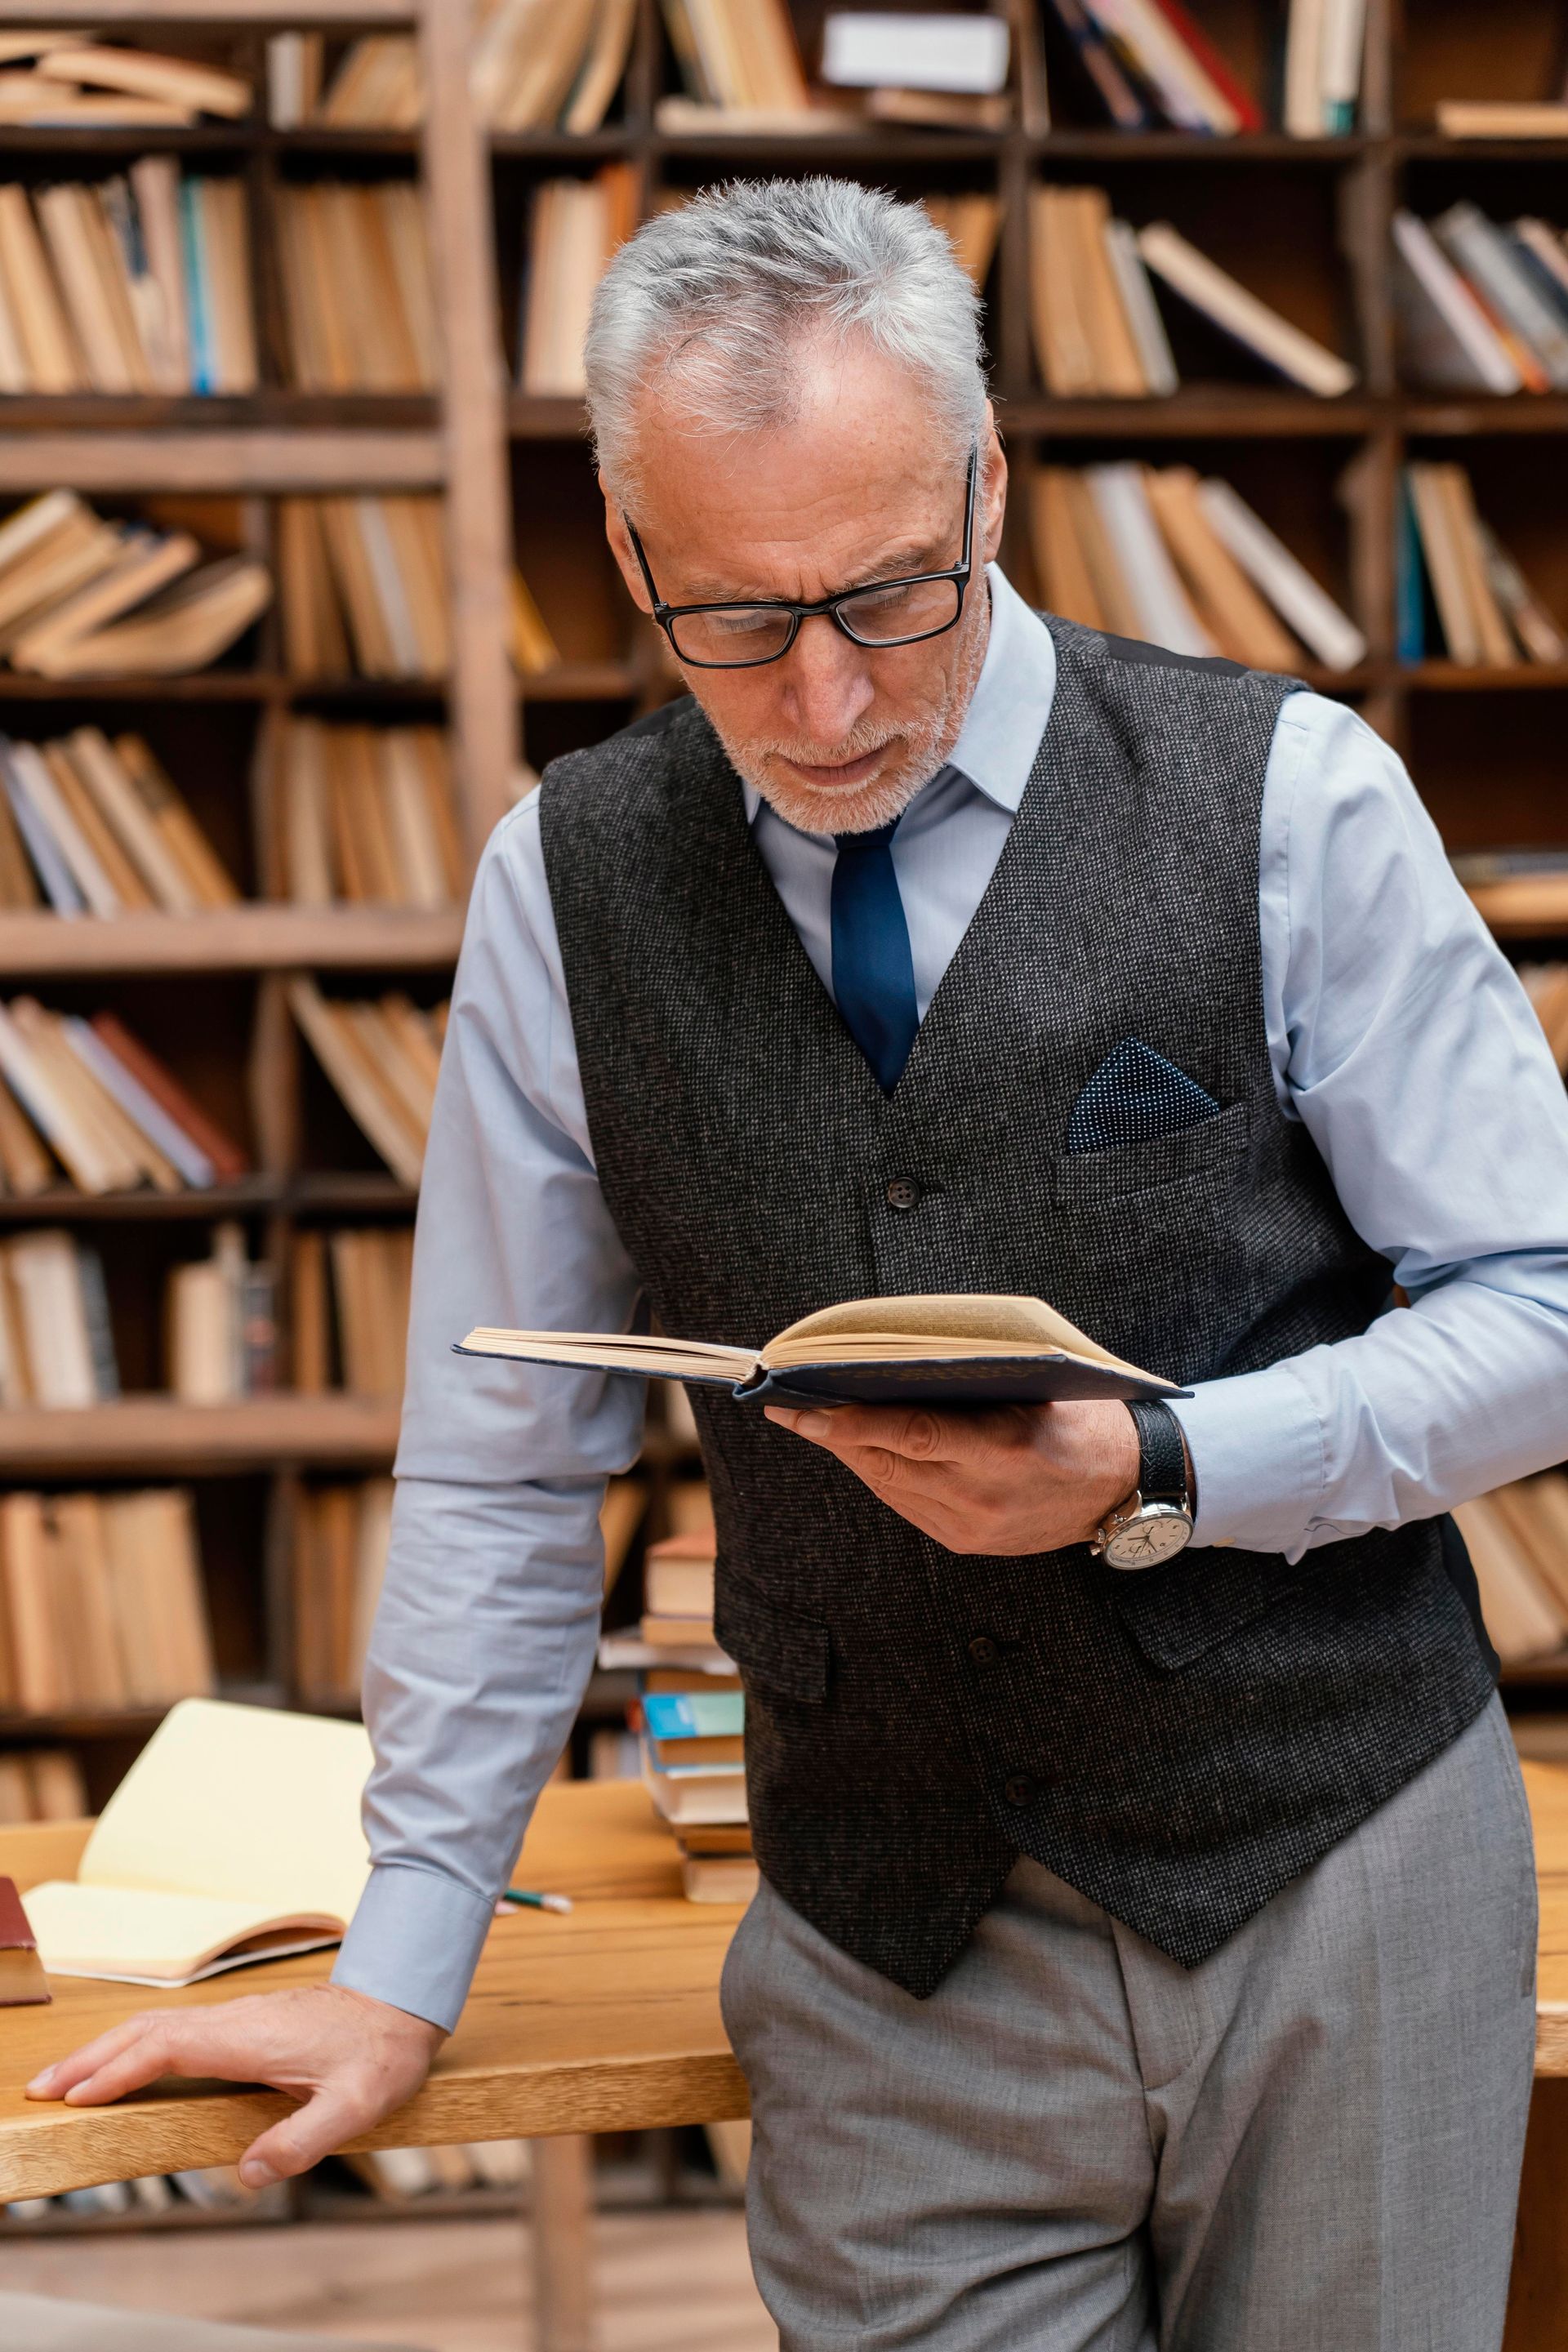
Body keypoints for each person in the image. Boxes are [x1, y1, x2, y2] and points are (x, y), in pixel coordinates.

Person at [32, 180, 1568, 2350]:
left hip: (1336, 1888)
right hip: (884, 1952)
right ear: (629, 548)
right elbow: (497, 1462)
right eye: (734, 621)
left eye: (892, 592)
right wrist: (397, 1967)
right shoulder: (560, 890)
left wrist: (1168, 1465)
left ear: (991, 482)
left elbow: (1549, 1307)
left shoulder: (1291, 803)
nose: (830, 696)